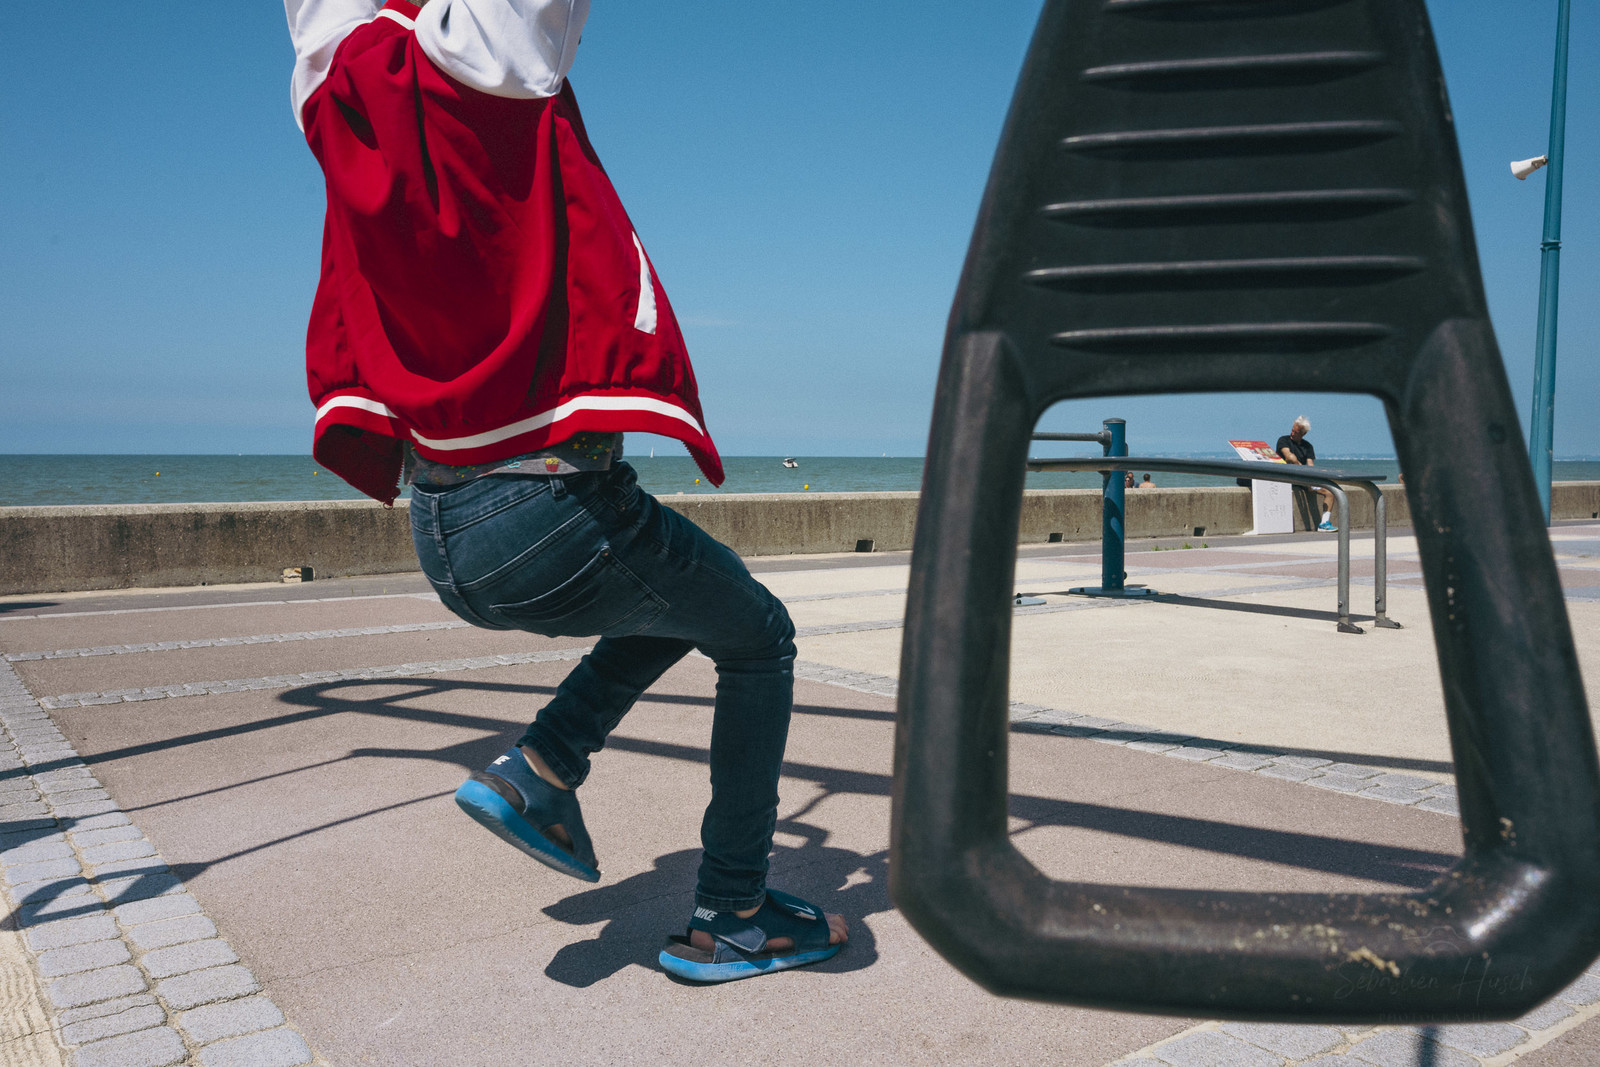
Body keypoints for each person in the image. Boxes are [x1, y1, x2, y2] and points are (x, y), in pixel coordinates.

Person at [283, 0, 846, 982]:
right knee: (759, 633)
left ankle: (542, 766)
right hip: (547, 507)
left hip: (443, 524)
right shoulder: (497, 48)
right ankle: (736, 915)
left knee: (690, 595)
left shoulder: (331, 77)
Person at [1277, 416, 1336, 532]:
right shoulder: (1283, 440)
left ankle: (1324, 523)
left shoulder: (1308, 447)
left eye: (1296, 432)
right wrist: (1302, 471)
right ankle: (1308, 483)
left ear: (1303, 434)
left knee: (1330, 492)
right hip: (1288, 476)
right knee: (1292, 458)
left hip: (1304, 479)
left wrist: (1312, 478)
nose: (1292, 433)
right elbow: (1289, 457)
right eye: (1292, 430)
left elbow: (1310, 465)